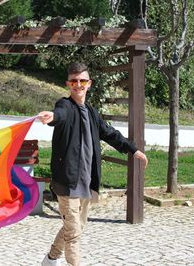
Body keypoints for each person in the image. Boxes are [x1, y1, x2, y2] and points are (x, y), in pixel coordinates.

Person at [38, 62, 148, 266]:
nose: (78, 84)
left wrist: (133, 149)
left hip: (86, 182)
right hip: (67, 182)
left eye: (82, 81)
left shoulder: (91, 112)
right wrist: (53, 117)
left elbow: (110, 133)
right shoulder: (65, 105)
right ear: (68, 84)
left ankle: (51, 258)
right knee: (74, 235)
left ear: (89, 84)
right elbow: (59, 115)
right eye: (74, 81)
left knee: (75, 227)